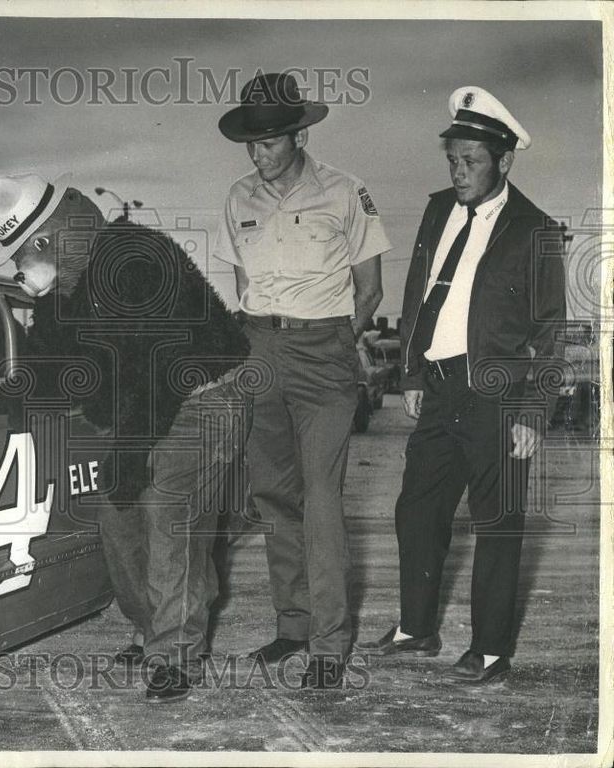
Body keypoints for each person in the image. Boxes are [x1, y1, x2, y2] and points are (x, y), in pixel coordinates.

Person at [0, 172, 250, 702]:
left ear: (49, 239)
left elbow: (160, 365)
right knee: (116, 517)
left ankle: (175, 652)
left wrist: (130, 455)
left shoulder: (135, 256)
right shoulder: (64, 285)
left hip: (202, 395)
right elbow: (44, 361)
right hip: (144, 404)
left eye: (21, 256)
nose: (21, 271)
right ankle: (153, 626)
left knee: (168, 512)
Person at [357, 87, 567, 683]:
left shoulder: (536, 230)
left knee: (497, 520)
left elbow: (551, 329)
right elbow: (419, 295)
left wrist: (532, 412)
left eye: (471, 161)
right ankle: (416, 628)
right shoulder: (435, 210)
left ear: (504, 160)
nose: (459, 172)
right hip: (440, 388)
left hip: (500, 398)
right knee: (417, 510)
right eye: (453, 159)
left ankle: (492, 650)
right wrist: (414, 372)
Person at [212, 71, 391, 688]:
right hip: (260, 348)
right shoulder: (239, 198)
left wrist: (339, 343)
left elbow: (370, 289)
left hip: (324, 352)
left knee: (321, 496)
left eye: (266, 141)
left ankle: (329, 642)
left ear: (295, 134)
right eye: (250, 142)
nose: (256, 153)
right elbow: (241, 283)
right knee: (273, 494)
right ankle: (292, 625)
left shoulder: (346, 192)